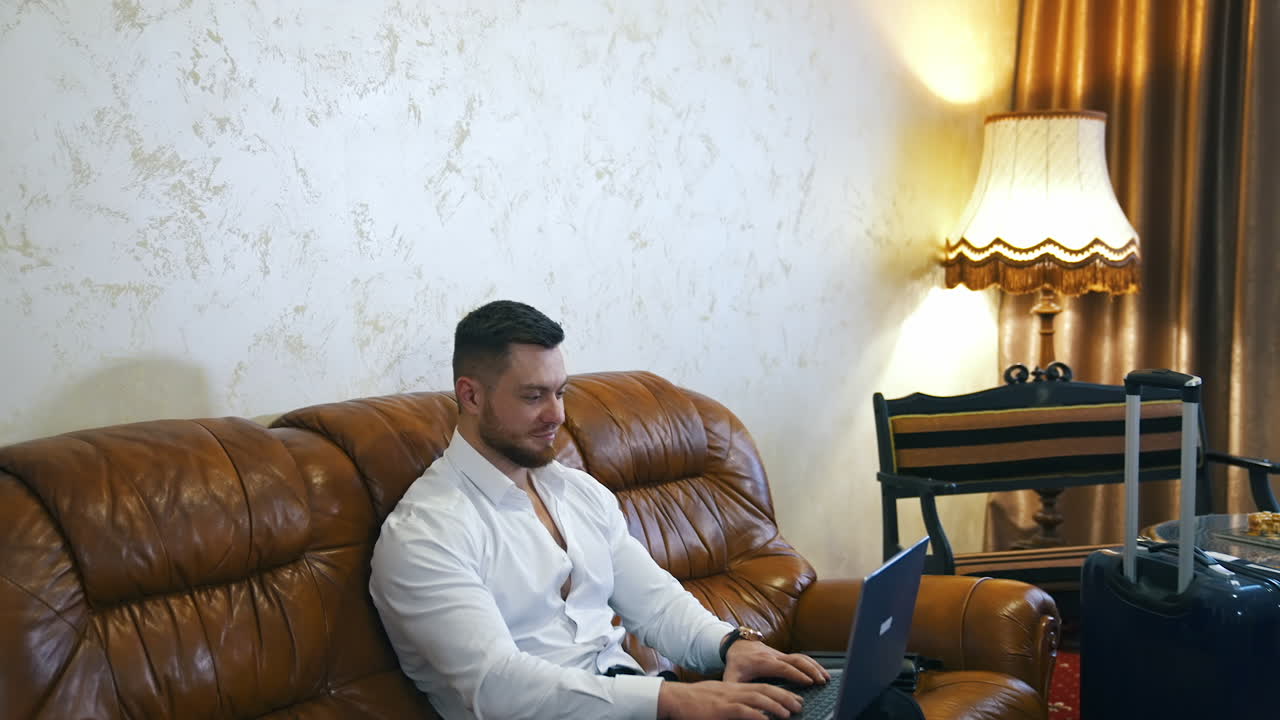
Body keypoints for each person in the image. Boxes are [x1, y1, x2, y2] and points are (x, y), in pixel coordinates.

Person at [370, 300, 830, 720]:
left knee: (866, 704)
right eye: (534, 396)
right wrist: (671, 700)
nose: (557, 415)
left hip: (641, 701)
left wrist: (729, 647)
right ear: (470, 396)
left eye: (560, 392)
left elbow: (656, 605)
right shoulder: (425, 533)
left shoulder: (577, 492)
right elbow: (496, 687)